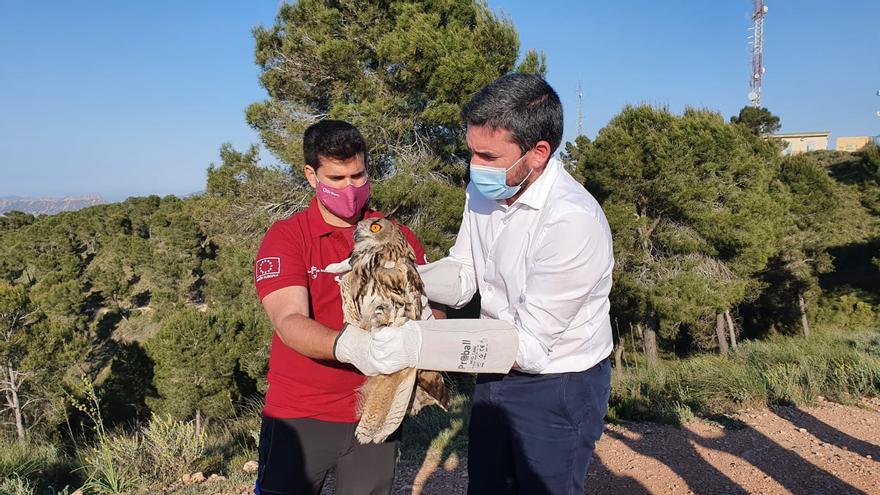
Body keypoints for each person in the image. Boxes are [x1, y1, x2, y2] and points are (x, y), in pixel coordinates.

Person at [360, 73, 615, 494]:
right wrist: (398, 275)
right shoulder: (483, 191)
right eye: (472, 152)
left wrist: (418, 343)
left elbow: (528, 348)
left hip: (559, 382)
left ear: (538, 153)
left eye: (488, 156)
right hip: (493, 369)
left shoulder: (572, 221)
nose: (475, 166)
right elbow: (464, 274)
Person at [252, 119, 436, 495]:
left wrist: (424, 332)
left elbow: (429, 305)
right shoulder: (287, 237)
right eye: (336, 178)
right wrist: (351, 346)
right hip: (301, 414)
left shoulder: (398, 237)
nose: (350, 188)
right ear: (311, 175)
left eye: (358, 175)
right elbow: (288, 319)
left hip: (378, 409)